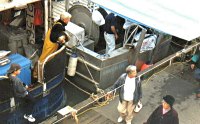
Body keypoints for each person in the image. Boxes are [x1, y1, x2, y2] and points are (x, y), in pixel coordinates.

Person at [33, 11, 71, 79]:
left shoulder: (58, 22)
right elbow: (55, 36)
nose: (69, 20)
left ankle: (37, 72)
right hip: (50, 45)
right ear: (65, 20)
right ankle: (36, 74)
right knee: (43, 59)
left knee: (43, 56)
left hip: (48, 41)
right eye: (68, 19)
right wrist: (62, 39)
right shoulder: (59, 27)